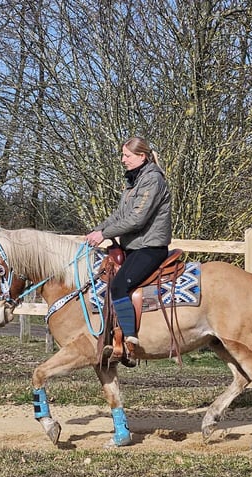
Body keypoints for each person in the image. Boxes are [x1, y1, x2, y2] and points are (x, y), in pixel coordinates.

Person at [85, 136, 172, 367]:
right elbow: (120, 215)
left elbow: (137, 218)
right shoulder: (134, 181)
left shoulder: (152, 180)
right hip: (134, 246)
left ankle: (129, 339)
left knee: (118, 285)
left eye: (127, 156)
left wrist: (104, 235)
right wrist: (99, 229)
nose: (123, 160)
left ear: (141, 156)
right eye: (123, 155)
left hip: (150, 247)